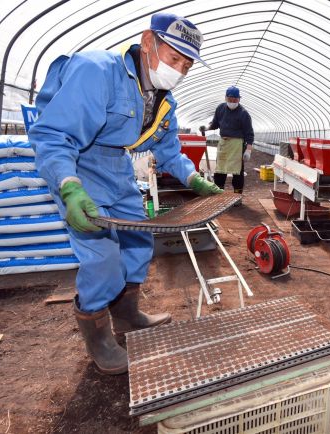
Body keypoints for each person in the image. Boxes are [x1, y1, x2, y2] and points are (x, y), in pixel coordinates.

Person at [29, 13, 222, 375]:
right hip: (80, 166)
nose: (179, 71)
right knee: (101, 258)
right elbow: (53, 136)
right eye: (173, 58)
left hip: (117, 167)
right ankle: (99, 338)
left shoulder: (164, 102)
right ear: (148, 42)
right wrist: (69, 188)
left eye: (186, 65)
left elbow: (168, 151)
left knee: (138, 241)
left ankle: (127, 315)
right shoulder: (97, 72)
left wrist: (194, 180)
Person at [200, 86, 254, 194]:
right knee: (220, 170)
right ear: (225, 98)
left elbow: (249, 134)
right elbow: (215, 123)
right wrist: (207, 128)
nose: (232, 102)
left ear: (239, 99)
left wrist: (248, 150)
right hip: (224, 143)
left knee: (237, 172)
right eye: (230, 99)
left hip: (237, 145)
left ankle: (237, 196)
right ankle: (219, 193)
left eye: (235, 100)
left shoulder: (244, 114)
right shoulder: (220, 108)